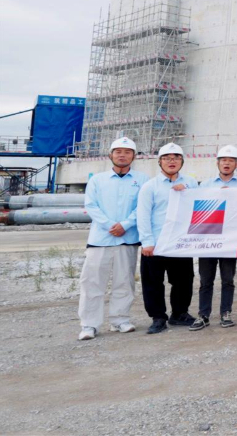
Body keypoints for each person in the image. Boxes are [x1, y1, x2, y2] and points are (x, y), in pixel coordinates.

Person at [77, 137, 150, 340]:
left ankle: (120, 320)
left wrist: (125, 225)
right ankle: (89, 324)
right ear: (110, 155)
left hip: (127, 238)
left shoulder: (143, 180)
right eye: (118, 152)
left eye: (127, 152)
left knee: (124, 281)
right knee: (92, 282)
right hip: (101, 239)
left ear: (134, 156)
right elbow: (91, 206)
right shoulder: (97, 180)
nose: (122, 155)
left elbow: (143, 207)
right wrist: (109, 225)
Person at [136, 142, 199, 334]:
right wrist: (147, 242)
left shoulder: (191, 183)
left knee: (184, 280)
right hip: (156, 243)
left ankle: (179, 313)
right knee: (153, 282)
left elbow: (199, 206)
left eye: (176, 157)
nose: (172, 161)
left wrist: (186, 190)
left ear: (182, 161)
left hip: (180, 242)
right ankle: (158, 317)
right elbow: (143, 215)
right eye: (167, 158)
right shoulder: (150, 186)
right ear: (160, 161)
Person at [191, 145, 237, 331]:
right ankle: (203, 315)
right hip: (208, 238)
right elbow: (196, 206)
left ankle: (226, 313)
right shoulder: (206, 184)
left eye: (231, 160)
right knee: (205, 280)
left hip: (229, 239)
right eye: (224, 160)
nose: (227, 163)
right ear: (217, 163)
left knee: (228, 279)